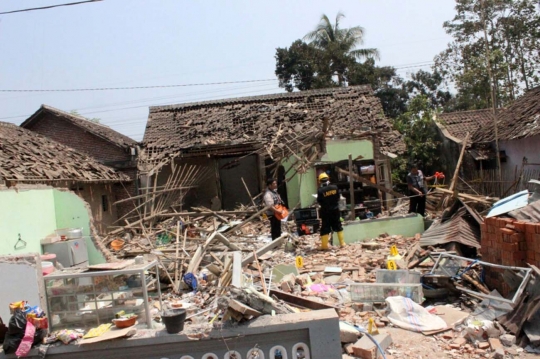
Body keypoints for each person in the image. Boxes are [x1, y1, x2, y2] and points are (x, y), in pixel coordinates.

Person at [317, 173, 346, 249]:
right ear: (328, 179)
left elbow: (319, 201)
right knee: (338, 225)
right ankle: (342, 243)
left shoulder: (320, 191)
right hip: (335, 210)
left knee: (325, 227)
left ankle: (324, 246)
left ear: (320, 181)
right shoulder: (335, 187)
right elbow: (338, 198)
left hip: (325, 211)